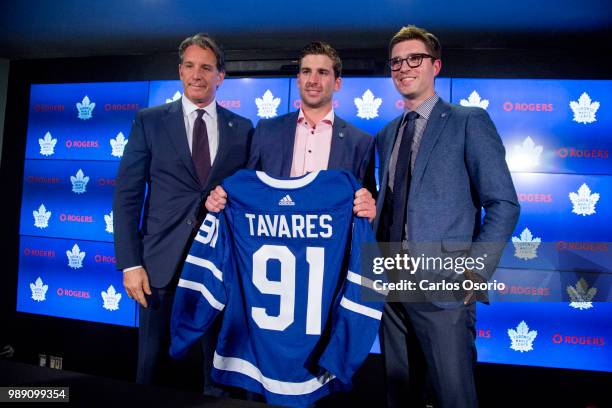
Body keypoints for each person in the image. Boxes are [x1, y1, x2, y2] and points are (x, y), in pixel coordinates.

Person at [374, 26, 519, 407]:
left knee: (453, 397)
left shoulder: (468, 121)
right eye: (396, 62)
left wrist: (474, 272)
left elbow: (504, 203)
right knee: (399, 394)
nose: (404, 67)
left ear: (435, 66)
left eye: (414, 59)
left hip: (445, 289)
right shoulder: (387, 134)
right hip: (392, 286)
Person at [113, 33, 254, 393]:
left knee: (216, 372)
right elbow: (127, 196)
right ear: (179, 71)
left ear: (220, 76)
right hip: (158, 269)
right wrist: (130, 264)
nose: (197, 74)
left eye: (206, 67)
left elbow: (249, 195)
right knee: (151, 367)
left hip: (218, 269)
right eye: (189, 66)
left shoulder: (243, 130)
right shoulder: (150, 121)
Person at [205, 41, 376, 220]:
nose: (313, 80)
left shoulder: (360, 142)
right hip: (272, 242)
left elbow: (368, 203)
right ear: (298, 80)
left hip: (331, 245)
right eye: (306, 71)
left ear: (337, 83)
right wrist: (220, 197)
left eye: (323, 72)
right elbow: (248, 187)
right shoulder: (266, 131)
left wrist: (370, 211)